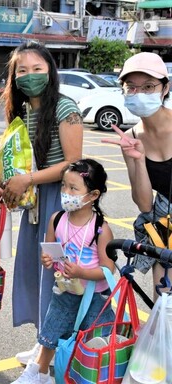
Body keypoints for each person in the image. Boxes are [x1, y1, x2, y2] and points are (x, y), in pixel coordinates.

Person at [0, 41, 84, 364]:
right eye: (22, 70)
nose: (30, 76)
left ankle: (51, 353)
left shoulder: (65, 108)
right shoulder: (21, 110)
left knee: (57, 276)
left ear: (50, 71)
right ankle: (43, 339)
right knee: (34, 272)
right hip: (32, 204)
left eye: (37, 69)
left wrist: (28, 179)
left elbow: (73, 164)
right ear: (14, 77)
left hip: (60, 205)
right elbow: (14, 159)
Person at [11, 159, 116, 384]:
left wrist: (82, 272)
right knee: (51, 333)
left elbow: (108, 270)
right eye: (63, 186)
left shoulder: (100, 228)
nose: (66, 193)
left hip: (93, 298)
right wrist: (47, 260)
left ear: (93, 195)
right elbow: (48, 253)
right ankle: (38, 374)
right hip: (63, 291)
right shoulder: (57, 219)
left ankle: (86, 376)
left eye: (73, 188)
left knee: (91, 341)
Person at [102, 52, 171, 301]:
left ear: (165, 88)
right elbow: (144, 204)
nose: (139, 93)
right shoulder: (130, 136)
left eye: (149, 86)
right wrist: (139, 160)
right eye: (131, 87)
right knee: (164, 306)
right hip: (165, 229)